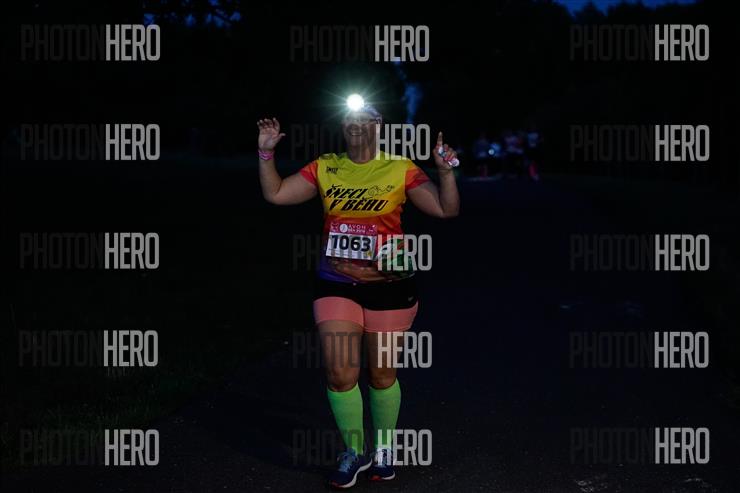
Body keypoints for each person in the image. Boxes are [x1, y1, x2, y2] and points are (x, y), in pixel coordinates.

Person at [256, 105, 460, 489]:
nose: (354, 123)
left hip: (389, 283)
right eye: (348, 118)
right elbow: (277, 194)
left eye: (364, 116)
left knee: (381, 375)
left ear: (377, 125)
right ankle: (354, 450)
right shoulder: (326, 166)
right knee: (340, 373)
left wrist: (446, 173)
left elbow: (446, 209)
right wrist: (266, 153)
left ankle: (384, 447)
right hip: (336, 282)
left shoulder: (399, 167)